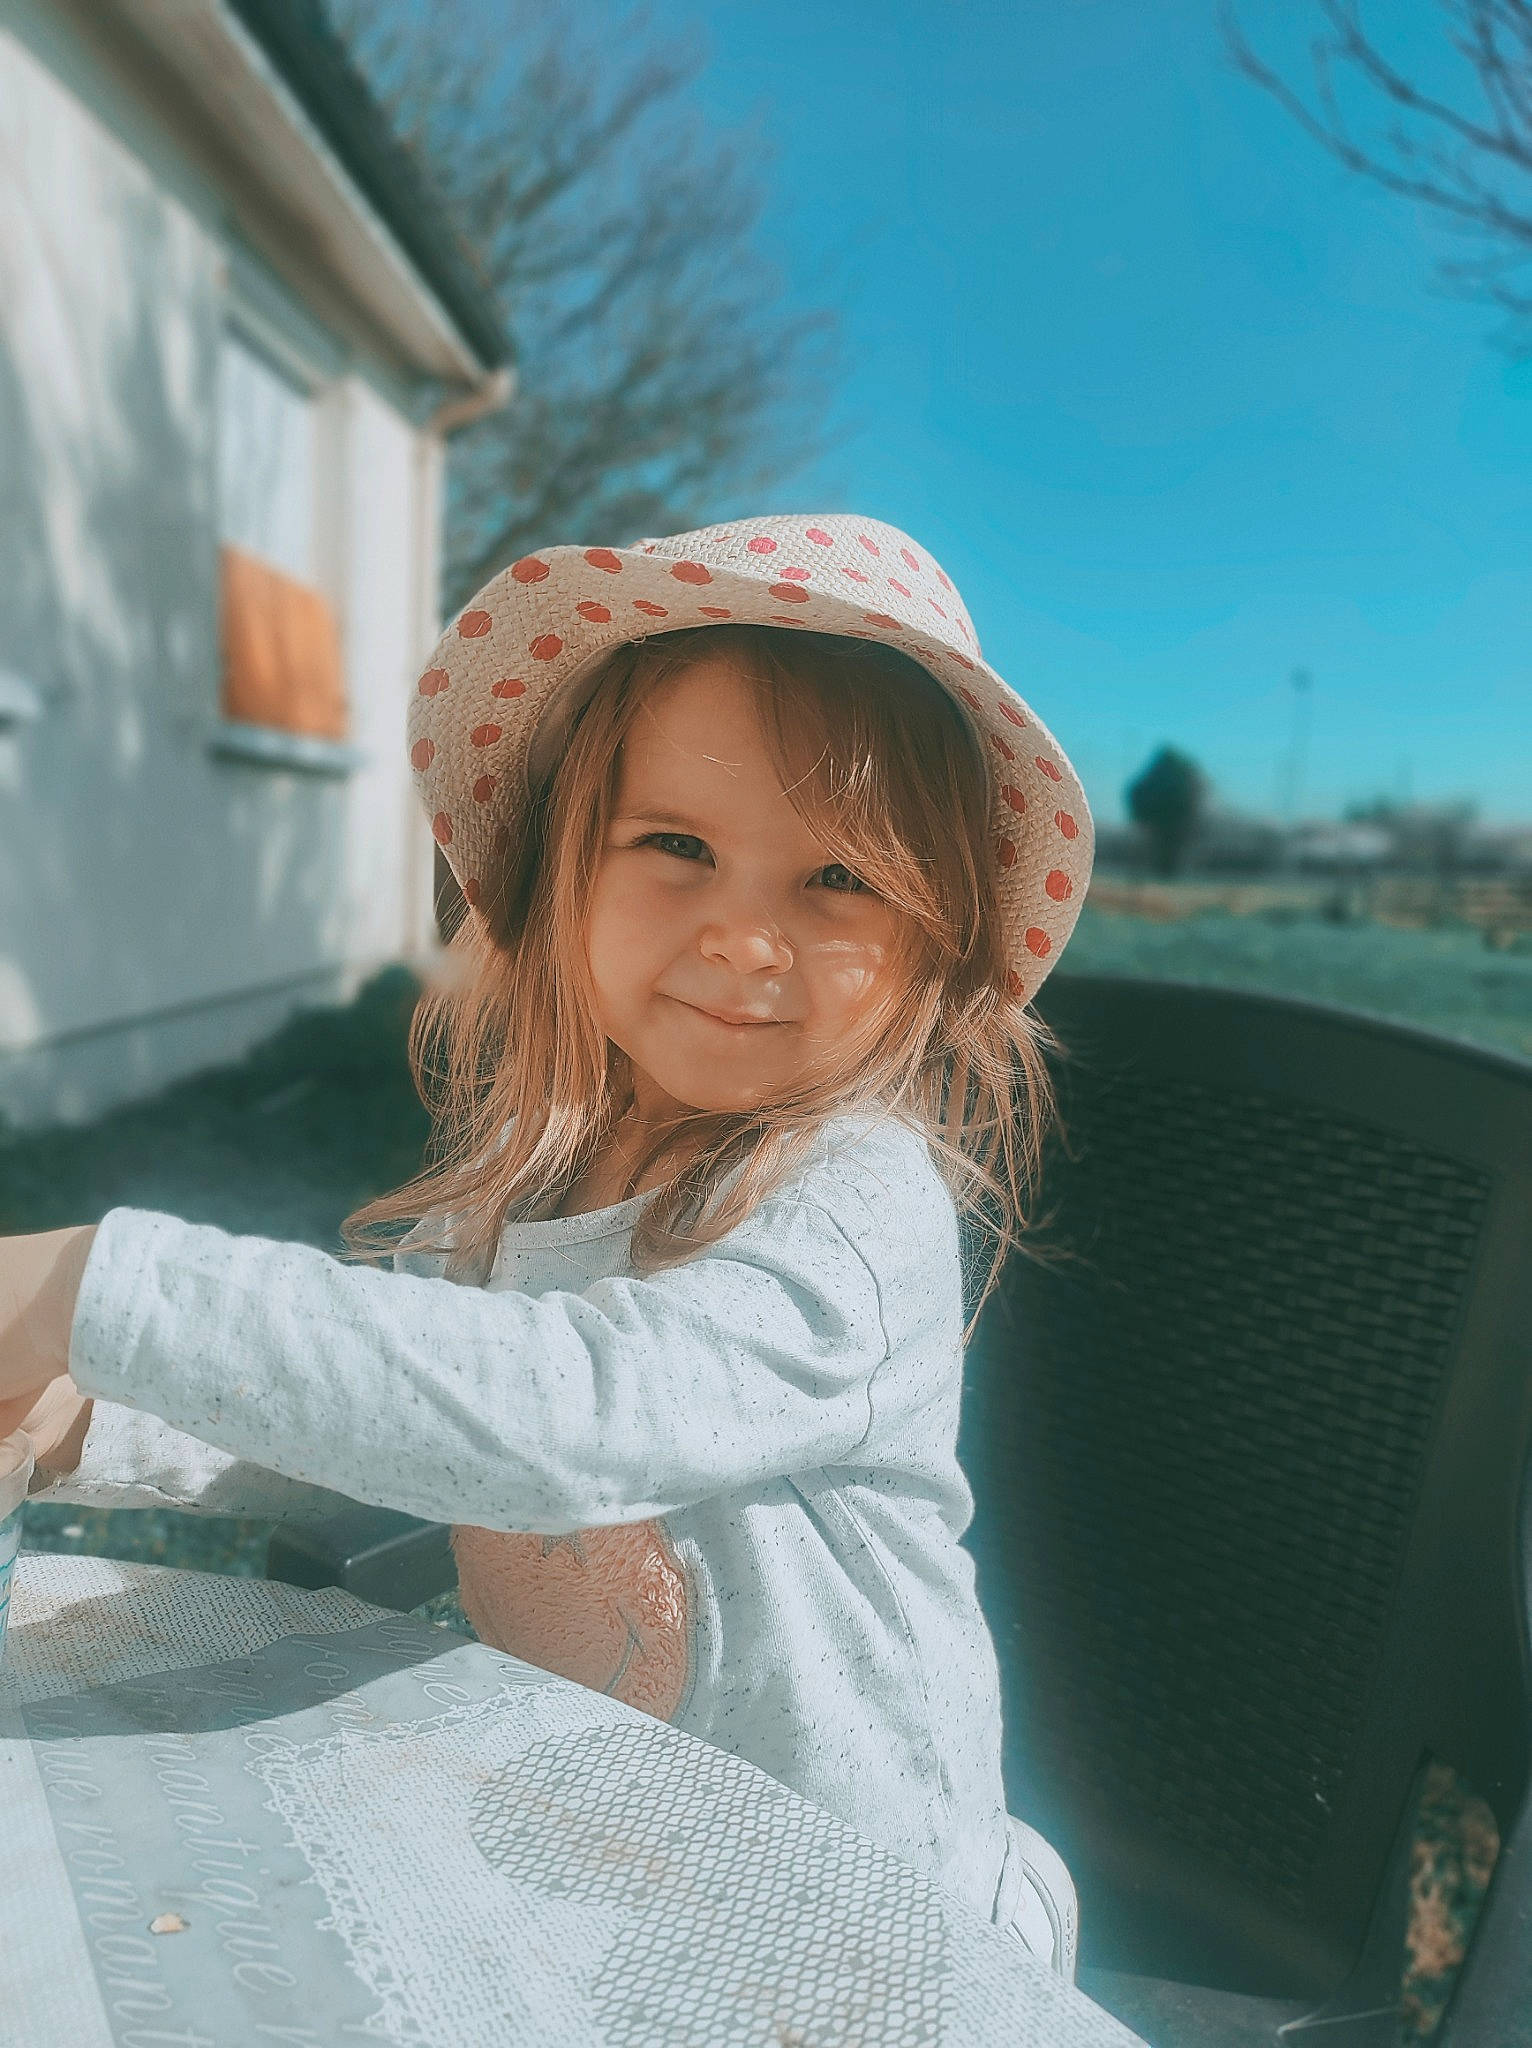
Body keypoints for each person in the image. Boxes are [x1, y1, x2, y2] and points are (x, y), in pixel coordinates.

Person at [0, 514, 1092, 1965]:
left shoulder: (860, 1202)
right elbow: (373, 1420)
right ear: (565, 875)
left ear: (941, 940)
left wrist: (98, 1287)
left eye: (840, 881)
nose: (745, 938)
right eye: (677, 847)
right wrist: (91, 1419)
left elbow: (567, 1412)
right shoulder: (538, 1191)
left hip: (860, 1931)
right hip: (597, 1874)